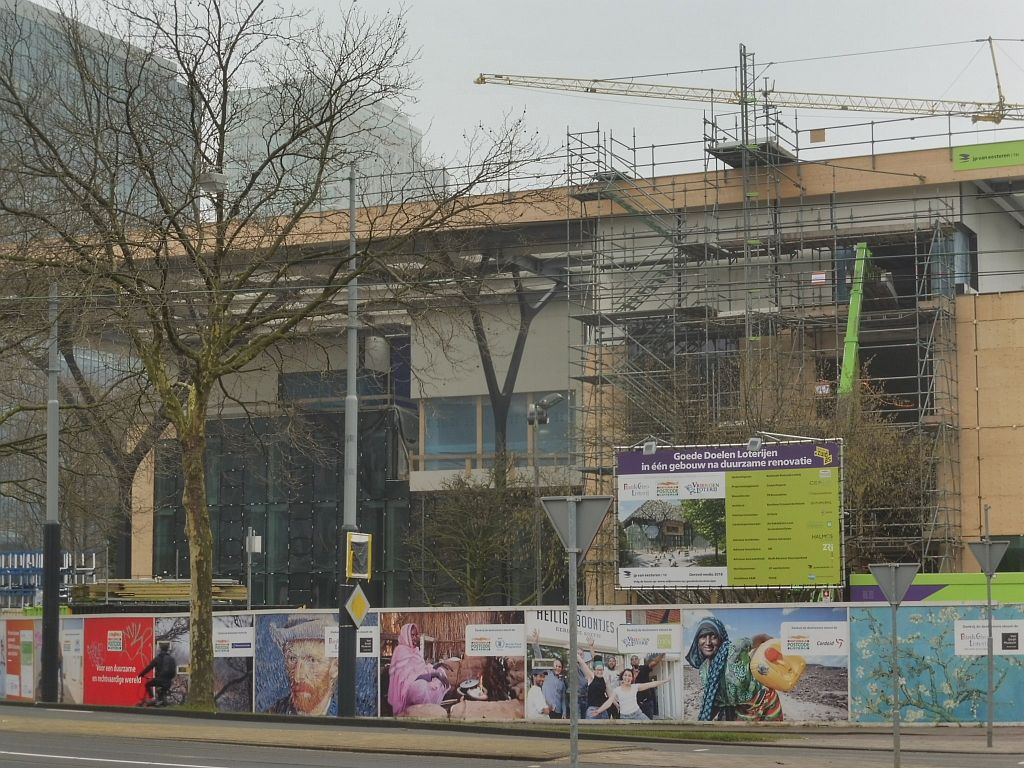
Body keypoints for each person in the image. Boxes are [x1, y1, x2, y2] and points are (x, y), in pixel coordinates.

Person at [685, 616, 783, 722]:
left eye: (713, 637)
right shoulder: (704, 670)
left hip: (765, 702)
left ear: (720, 638)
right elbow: (716, 701)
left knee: (770, 736)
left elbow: (762, 637)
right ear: (697, 640)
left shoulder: (736, 648)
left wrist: (777, 652)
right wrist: (701, 723)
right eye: (703, 637)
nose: (708, 642)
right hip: (737, 710)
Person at [268, 615, 339, 716]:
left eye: (312, 660)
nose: (298, 676)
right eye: (292, 659)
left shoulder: (353, 713)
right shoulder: (273, 714)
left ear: (335, 667)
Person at [387, 622, 450, 716]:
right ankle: (427, 710)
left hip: (418, 680)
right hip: (406, 690)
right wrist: (433, 675)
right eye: (412, 635)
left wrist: (438, 665)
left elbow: (422, 669)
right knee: (420, 687)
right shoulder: (400, 651)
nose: (415, 638)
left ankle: (432, 706)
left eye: (416, 635)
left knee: (441, 671)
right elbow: (408, 678)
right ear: (406, 635)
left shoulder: (415, 650)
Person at [589, 667, 670, 721]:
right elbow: (609, 702)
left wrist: (665, 681)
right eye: (625, 675)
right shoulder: (617, 690)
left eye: (629, 676)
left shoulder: (635, 687)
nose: (627, 677)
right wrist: (598, 711)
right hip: (624, 717)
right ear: (622, 677)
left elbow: (651, 684)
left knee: (651, 728)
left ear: (632, 678)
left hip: (638, 714)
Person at [530, 629, 567, 719]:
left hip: (558, 712)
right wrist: (535, 643)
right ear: (552, 666)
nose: (558, 668)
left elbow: (563, 699)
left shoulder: (562, 682)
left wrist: (564, 712)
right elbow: (539, 658)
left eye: (559, 666)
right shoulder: (547, 675)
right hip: (547, 711)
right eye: (556, 666)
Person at [629, 651, 665, 719]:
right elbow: (629, 687)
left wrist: (662, 654)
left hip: (647, 702)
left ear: (639, 661)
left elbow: (654, 663)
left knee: (649, 723)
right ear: (630, 662)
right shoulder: (628, 673)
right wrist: (634, 676)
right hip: (635, 704)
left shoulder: (644, 668)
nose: (634, 660)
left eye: (635, 659)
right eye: (632, 659)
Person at [576, 649, 610, 719]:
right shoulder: (591, 677)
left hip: (603, 709)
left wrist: (617, 704)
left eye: (601, 670)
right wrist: (577, 655)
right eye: (598, 669)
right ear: (594, 670)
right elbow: (583, 664)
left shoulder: (605, 679)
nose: (599, 671)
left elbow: (611, 694)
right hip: (592, 710)